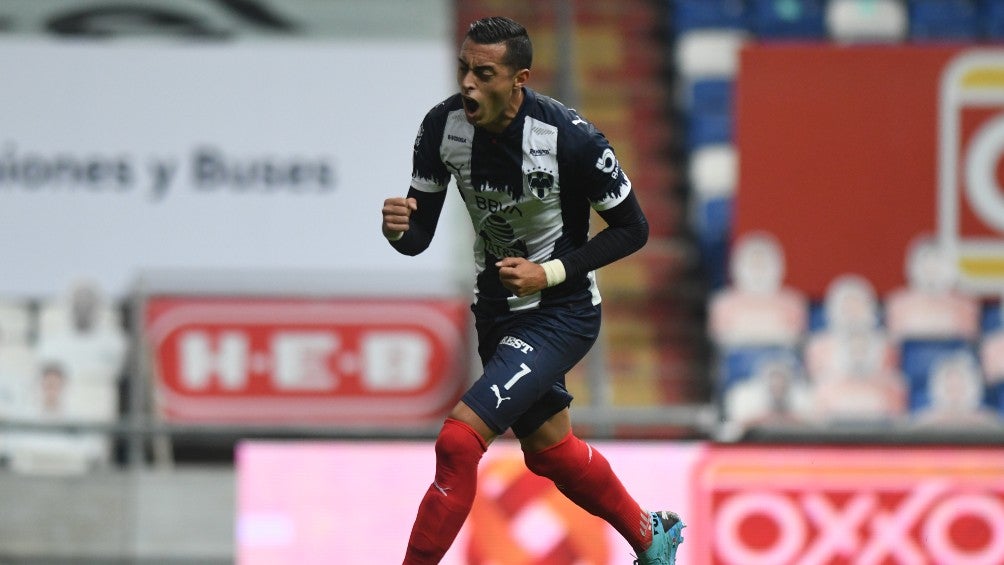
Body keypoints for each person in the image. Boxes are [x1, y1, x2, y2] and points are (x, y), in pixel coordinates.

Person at [381, 16, 684, 565]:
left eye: (485, 73)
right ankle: (650, 535)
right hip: (496, 311)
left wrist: (550, 272)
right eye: (463, 70)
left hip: (560, 313)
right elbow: (418, 237)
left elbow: (633, 229)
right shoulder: (441, 128)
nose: (468, 84)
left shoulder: (571, 139)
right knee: (549, 453)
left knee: (457, 442)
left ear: (519, 79)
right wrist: (399, 230)